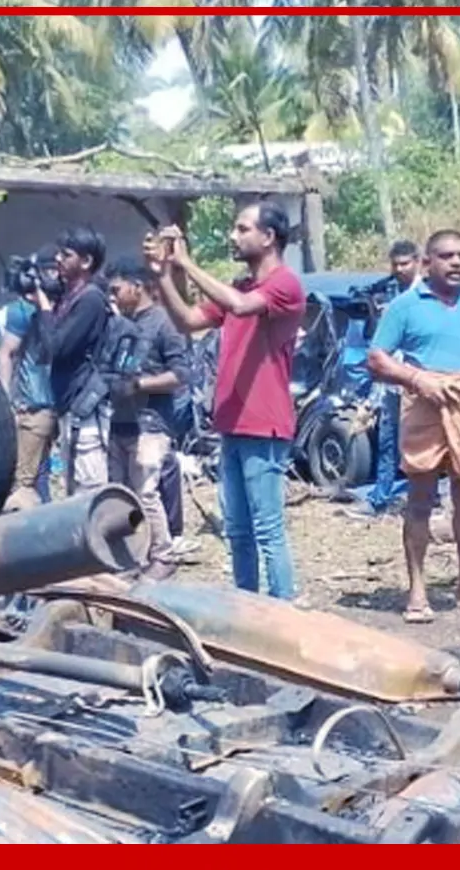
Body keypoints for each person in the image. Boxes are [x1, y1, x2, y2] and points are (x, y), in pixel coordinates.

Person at [148, 203, 306, 602]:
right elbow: (187, 320)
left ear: (268, 237)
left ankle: (282, 611)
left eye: (241, 229)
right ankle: (246, 608)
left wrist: (187, 262)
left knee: (267, 528)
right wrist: (164, 275)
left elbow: (238, 306)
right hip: (232, 423)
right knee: (237, 528)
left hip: (264, 423)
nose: (232, 237)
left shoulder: (283, 285)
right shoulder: (243, 287)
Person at [366, 229, 460, 620]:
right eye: (447, 256)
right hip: (424, 402)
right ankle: (417, 592)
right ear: (427, 263)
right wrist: (419, 380)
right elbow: (377, 360)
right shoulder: (405, 306)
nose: (456, 263)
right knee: (419, 502)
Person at [106, 261, 193, 579]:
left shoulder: (163, 324)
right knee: (120, 492)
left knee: (145, 492)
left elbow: (182, 375)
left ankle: (164, 555)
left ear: (136, 286)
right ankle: (132, 555)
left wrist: (140, 384)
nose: (113, 297)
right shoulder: (121, 325)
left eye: (117, 290)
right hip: (119, 421)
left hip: (151, 424)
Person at [32, 226, 112, 495]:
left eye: (66, 255)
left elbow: (57, 347)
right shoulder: (70, 299)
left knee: (90, 490)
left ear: (86, 261)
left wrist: (44, 307)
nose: (58, 260)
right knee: (72, 488)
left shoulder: (90, 300)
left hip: (86, 409)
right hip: (70, 406)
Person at [353, 239, 427, 518]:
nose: (399, 269)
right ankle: (380, 499)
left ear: (417, 262)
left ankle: (421, 499)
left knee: (420, 444)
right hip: (392, 384)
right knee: (388, 443)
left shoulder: (426, 295)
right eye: (395, 264)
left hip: (419, 382)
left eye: (405, 263)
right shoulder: (390, 294)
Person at [0, 247, 60, 508]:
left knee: (34, 475)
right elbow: (7, 354)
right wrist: (4, 401)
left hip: (65, 403)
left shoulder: (73, 303)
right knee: (28, 476)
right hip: (35, 404)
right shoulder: (23, 310)